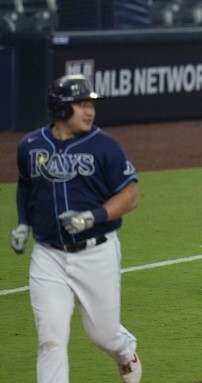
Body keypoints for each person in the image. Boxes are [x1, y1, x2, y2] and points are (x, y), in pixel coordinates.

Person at [9, 74, 142, 382]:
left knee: (104, 336)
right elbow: (26, 187)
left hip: (96, 253)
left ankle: (125, 351)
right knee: (51, 339)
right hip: (48, 256)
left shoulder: (104, 146)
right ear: (59, 109)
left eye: (90, 105)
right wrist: (23, 224)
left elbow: (130, 195)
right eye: (80, 105)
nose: (89, 112)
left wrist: (92, 217)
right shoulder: (30, 146)